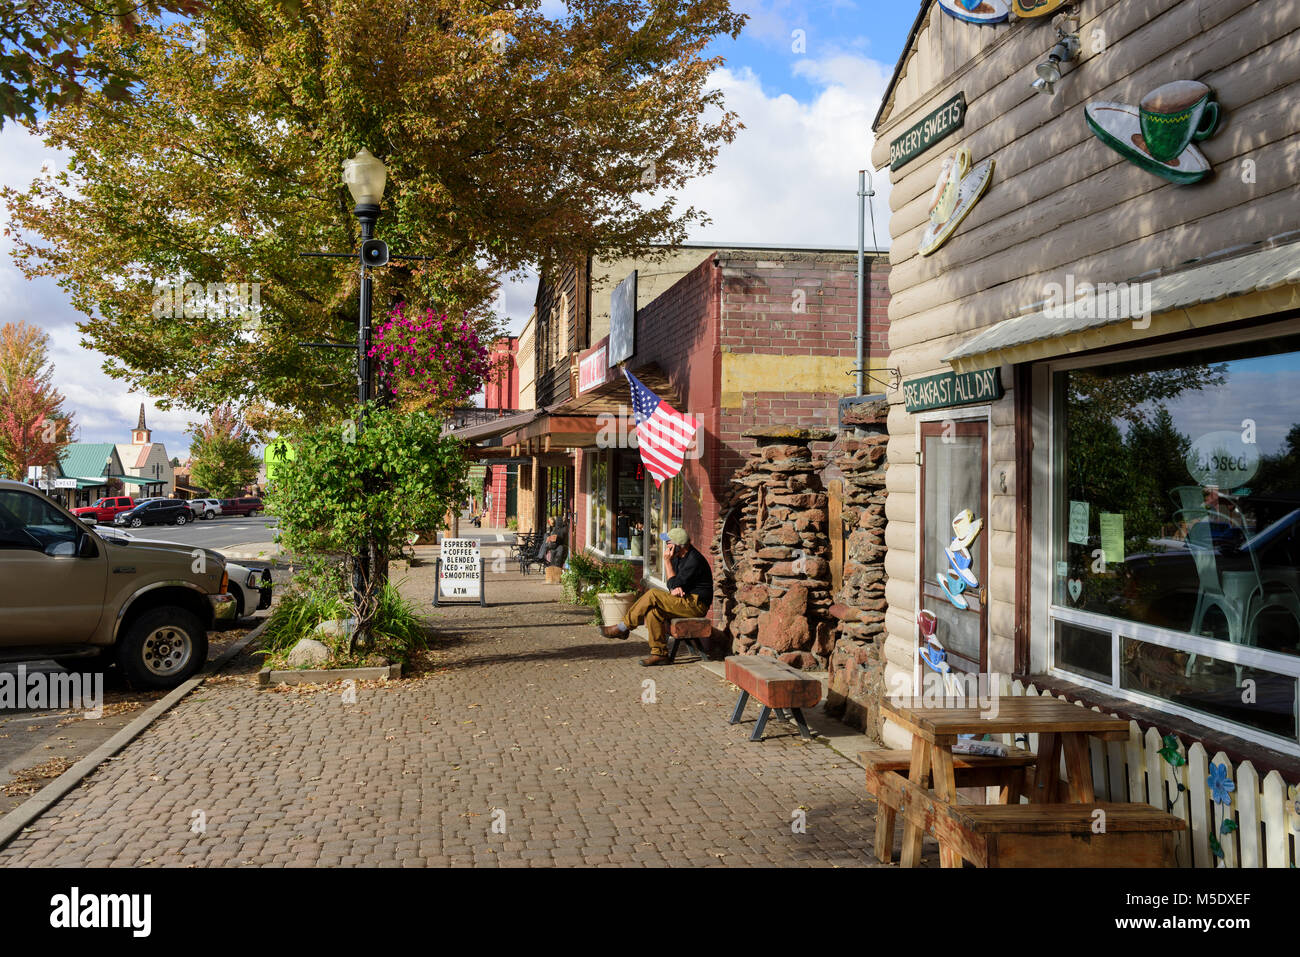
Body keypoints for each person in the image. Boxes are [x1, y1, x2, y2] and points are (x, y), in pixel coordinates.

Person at [601, 527, 712, 667]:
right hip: (685, 601)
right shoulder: (679, 557)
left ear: (677, 546)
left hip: (696, 605)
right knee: (654, 612)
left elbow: (674, 583)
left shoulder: (694, 560)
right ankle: (659, 654)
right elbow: (672, 585)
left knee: (653, 594)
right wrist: (674, 586)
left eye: (668, 543)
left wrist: (667, 563)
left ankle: (623, 627)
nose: (666, 546)